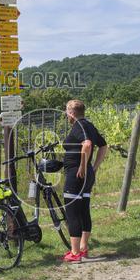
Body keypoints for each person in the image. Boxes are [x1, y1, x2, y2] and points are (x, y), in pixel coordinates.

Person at [61, 100, 108, 262]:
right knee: (83, 210)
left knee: (72, 212)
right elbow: (103, 146)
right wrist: (93, 167)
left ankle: (74, 253)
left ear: (71, 113)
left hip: (76, 175)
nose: (66, 114)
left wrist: (82, 165)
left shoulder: (78, 126)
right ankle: (83, 248)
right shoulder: (89, 125)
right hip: (87, 174)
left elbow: (87, 145)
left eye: (67, 111)